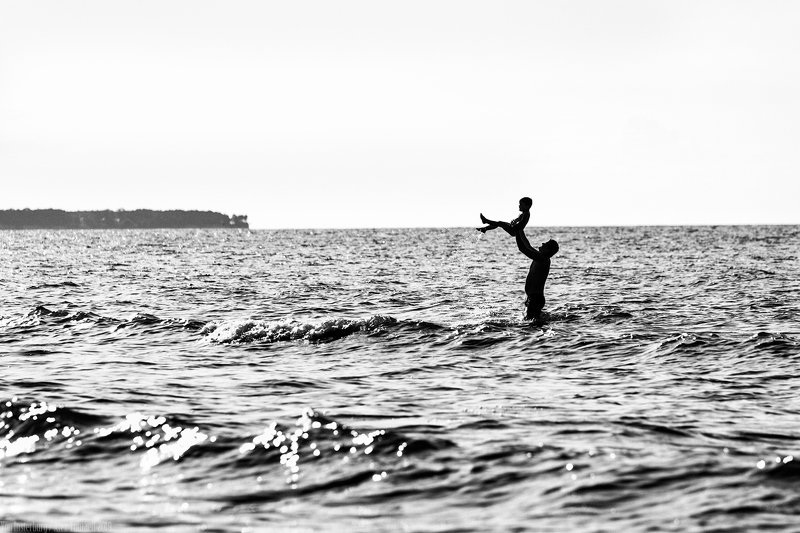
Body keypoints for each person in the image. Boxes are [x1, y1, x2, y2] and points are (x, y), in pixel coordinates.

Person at [515, 228, 559, 322]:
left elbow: (522, 248)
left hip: (535, 299)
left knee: (531, 326)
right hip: (533, 298)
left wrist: (516, 232)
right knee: (532, 323)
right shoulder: (540, 256)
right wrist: (520, 230)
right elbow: (527, 245)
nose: (542, 244)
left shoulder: (542, 259)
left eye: (545, 244)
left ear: (548, 251)